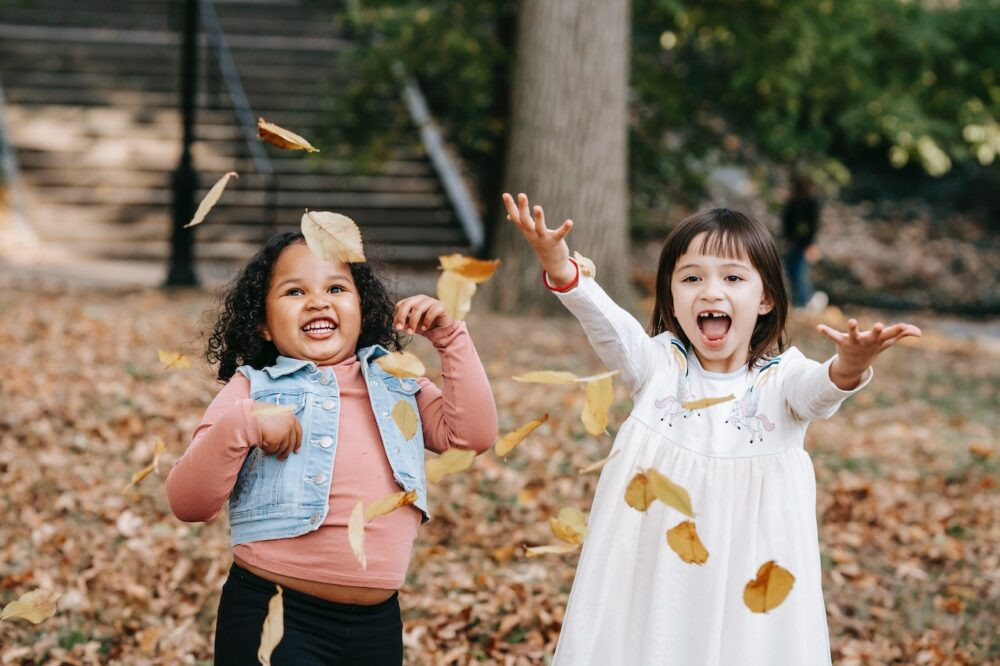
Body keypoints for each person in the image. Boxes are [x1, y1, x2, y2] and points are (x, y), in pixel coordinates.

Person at [503, 192, 920, 665]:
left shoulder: (782, 380)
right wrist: (560, 266)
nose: (711, 291)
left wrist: (849, 364)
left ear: (764, 299)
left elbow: (819, 390)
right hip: (657, 573)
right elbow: (606, 322)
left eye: (733, 277)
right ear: (671, 297)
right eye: (692, 278)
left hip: (750, 575)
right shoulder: (657, 364)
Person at [165, 231, 497, 665]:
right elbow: (188, 502)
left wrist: (451, 339)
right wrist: (243, 423)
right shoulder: (255, 389)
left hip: (377, 627)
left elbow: (470, 436)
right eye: (294, 290)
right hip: (276, 613)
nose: (318, 301)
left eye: (336, 288)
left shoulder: (398, 380)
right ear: (263, 323)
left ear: (363, 309)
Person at [782, 172, 824, 309]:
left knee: (800, 272)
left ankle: (803, 302)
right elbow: (787, 222)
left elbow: (813, 225)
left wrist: (810, 244)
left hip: (803, 243)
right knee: (792, 271)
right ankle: (798, 301)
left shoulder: (811, 202)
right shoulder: (793, 202)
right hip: (795, 242)